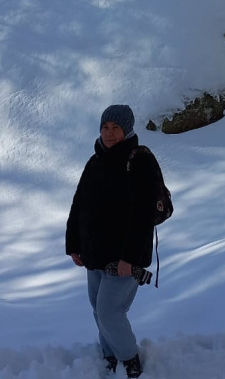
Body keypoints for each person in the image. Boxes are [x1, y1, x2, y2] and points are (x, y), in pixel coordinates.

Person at [66, 104, 162, 378]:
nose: (109, 133)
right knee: (98, 308)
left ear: (127, 130)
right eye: (105, 127)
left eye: (115, 128)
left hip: (124, 256)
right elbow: (78, 204)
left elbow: (143, 214)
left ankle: (130, 359)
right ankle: (109, 355)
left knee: (110, 311)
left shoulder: (139, 161)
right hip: (94, 252)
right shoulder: (95, 161)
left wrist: (129, 258)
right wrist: (74, 244)